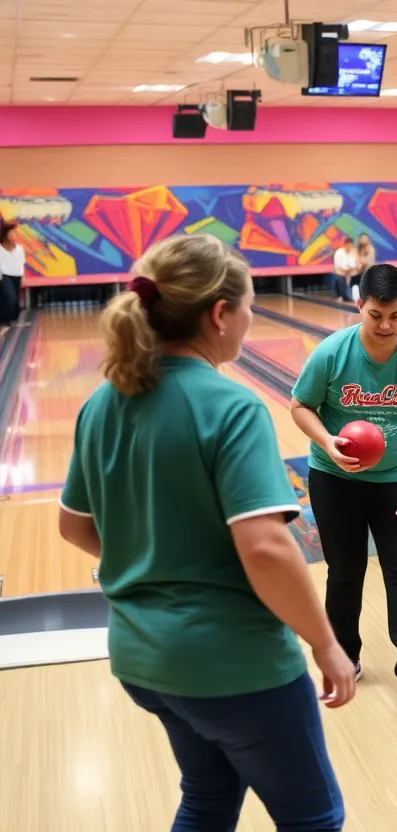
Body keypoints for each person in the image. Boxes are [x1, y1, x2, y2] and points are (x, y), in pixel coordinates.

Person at [58, 234, 352, 830]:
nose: (249, 318)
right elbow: (266, 549)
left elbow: (74, 525)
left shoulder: (102, 402)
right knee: (313, 818)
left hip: (144, 659)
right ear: (219, 314)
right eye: (248, 306)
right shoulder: (230, 406)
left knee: (208, 798)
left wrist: (152, 553)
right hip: (233, 664)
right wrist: (325, 643)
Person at [290, 264, 397, 714]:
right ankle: (345, 655)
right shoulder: (331, 353)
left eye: (395, 316)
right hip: (334, 478)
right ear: (359, 305)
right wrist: (327, 441)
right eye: (376, 314)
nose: (385, 326)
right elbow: (300, 405)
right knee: (344, 571)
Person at [0, 221, 25, 326]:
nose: (13, 236)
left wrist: (23, 277)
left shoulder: (19, 249)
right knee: (11, 297)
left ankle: (13, 320)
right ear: (5, 235)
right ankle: (7, 320)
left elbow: (21, 263)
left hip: (17, 275)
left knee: (15, 299)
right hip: (4, 275)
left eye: (15, 234)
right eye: (11, 234)